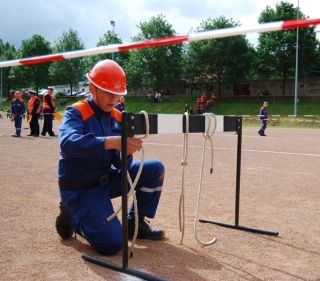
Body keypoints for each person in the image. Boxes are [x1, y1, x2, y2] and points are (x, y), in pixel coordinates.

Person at [56, 59, 165, 255]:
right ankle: (72, 215)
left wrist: (126, 153)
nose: (113, 99)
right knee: (113, 244)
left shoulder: (117, 116)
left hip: (107, 181)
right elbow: (68, 143)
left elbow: (120, 162)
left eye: (118, 94)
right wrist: (111, 141)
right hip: (82, 189)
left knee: (154, 169)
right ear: (92, 88)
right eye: (108, 92)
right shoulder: (76, 112)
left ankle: (135, 224)